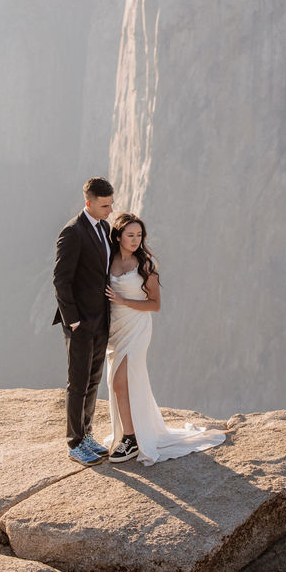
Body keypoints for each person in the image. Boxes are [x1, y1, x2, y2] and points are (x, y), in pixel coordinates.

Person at [103, 213, 226, 464]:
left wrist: (124, 301)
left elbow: (155, 304)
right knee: (122, 383)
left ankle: (131, 439)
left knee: (119, 383)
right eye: (130, 235)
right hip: (116, 330)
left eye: (139, 235)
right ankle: (133, 432)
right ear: (118, 237)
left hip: (137, 329)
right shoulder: (109, 260)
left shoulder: (145, 265)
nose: (136, 240)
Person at [53, 177, 115, 466]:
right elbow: (61, 280)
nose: (110, 210)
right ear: (88, 202)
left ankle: (87, 433)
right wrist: (73, 321)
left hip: (101, 319)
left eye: (111, 204)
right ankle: (74, 442)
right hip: (79, 323)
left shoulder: (103, 228)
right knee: (77, 383)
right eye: (104, 205)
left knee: (93, 380)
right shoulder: (72, 232)